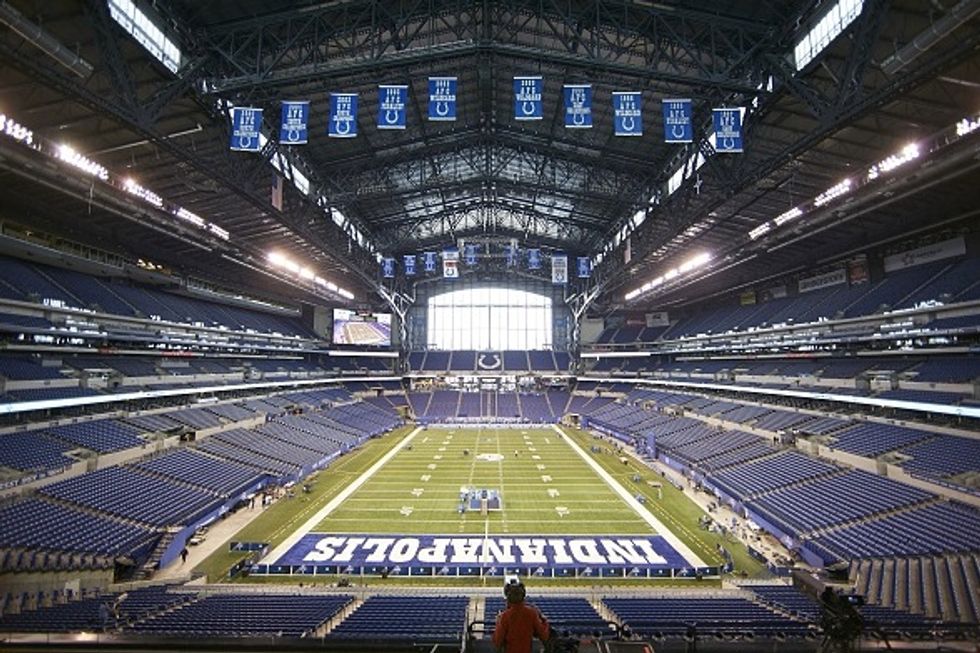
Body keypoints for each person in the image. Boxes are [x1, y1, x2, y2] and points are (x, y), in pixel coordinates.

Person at [492, 580, 549, 653]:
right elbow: (543, 635)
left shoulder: (505, 616)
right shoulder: (532, 613)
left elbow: (497, 641)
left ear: (508, 597)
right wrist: (544, 621)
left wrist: (498, 622)